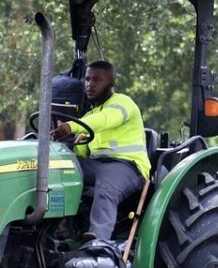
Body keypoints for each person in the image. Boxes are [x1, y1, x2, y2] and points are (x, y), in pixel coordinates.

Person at [52, 61, 150, 241]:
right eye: (87, 79)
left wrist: (71, 126)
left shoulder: (122, 103)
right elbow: (81, 150)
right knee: (58, 168)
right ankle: (57, 232)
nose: (90, 84)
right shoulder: (88, 117)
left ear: (110, 83)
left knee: (106, 187)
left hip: (126, 166)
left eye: (97, 80)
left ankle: (98, 239)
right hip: (94, 165)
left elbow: (105, 119)